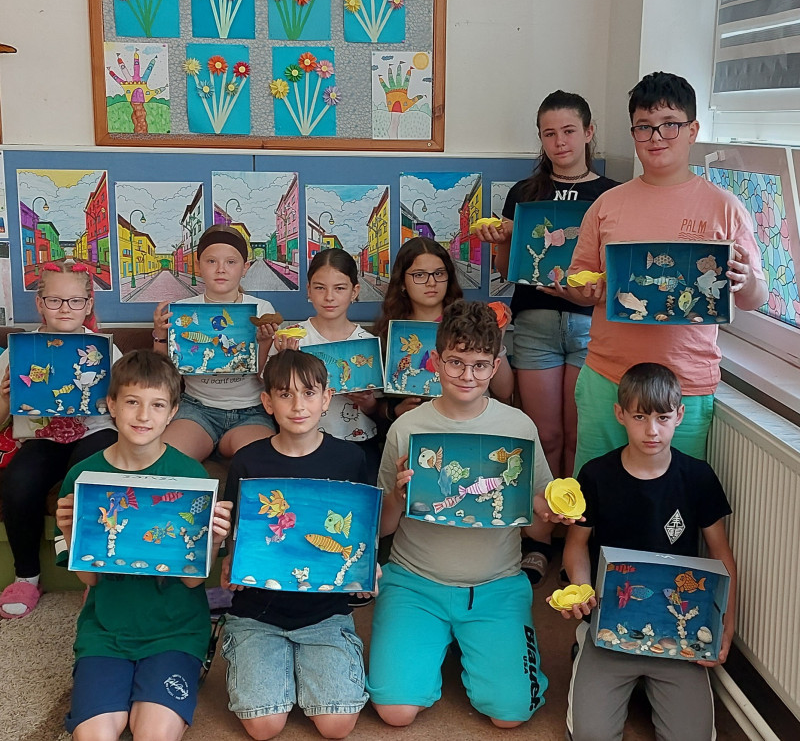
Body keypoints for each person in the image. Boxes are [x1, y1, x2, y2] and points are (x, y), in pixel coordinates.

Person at [368, 299, 577, 729]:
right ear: (436, 361)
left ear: (496, 365)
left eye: (481, 365)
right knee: (394, 710)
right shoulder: (407, 428)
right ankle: (439, 641)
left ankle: (468, 643)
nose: (468, 376)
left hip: (495, 584)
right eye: (456, 362)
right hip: (415, 582)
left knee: (510, 713)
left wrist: (549, 513)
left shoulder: (518, 428)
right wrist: (397, 496)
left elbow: (536, 525)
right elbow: (383, 528)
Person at [566, 71, 767, 473]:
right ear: (633, 133)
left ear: (693, 130)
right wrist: (585, 291)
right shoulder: (607, 204)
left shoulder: (724, 207)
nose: (656, 137)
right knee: (595, 490)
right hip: (608, 377)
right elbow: (579, 279)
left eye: (669, 124)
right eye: (644, 127)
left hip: (684, 385)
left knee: (673, 496)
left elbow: (755, 296)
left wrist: (746, 281)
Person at [477, 90, 619, 587]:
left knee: (581, 438)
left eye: (569, 131)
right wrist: (500, 243)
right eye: (549, 133)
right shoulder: (525, 192)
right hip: (535, 323)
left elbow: (614, 270)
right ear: (540, 138)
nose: (560, 142)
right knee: (545, 435)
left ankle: (576, 536)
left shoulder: (612, 194)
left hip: (589, 325)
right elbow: (507, 271)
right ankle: (539, 536)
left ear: (589, 132)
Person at [54, 349, 232, 739]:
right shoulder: (83, 477)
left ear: (173, 413)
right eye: (132, 402)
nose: (143, 415)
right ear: (111, 404)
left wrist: (213, 540)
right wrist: (71, 534)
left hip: (175, 632)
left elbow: (192, 581)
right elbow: (89, 579)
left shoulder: (191, 477)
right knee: (94, 735)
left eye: (157, 405)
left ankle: (190, 663)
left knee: (152, 733)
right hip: (106, 631)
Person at [556, 362, 737, 741]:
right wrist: (581, 590)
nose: (652, 430)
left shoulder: (698, 477)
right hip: (608, 622)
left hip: (677, 626)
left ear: (679, 415)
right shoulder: (596, 475)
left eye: (662, 417)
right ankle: (585, 648)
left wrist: (726, 622)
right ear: (620, 414)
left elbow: (721, 554)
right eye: (640, 417)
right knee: (591, 736)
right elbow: (576, 546)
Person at [220, 349, 373, 740]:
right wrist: (231, 561)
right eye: (285, 394)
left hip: (325, 613)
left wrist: (366, 566)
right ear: (267, 401)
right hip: (258, 612)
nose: (298, 405)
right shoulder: (248, 462)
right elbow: (238, 534)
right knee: (264, 726)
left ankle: (310, 663)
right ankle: (265, 659)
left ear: (326, 398)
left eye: (308, 393)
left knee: (337, 726)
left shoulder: (350, 459)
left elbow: (362, 530)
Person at [0, 261, 120, 619]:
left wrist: (115, 396)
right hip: (41, 437)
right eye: (54, 300)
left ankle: (95, 575)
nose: (65, 308)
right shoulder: (19, 350)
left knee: (88, 478)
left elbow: (130, 404)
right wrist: (5, 398)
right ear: (40, 303)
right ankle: (26, 575)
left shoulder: (104, 348)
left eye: (75, 301)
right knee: (18, 482)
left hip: (96, 431)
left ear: (88, 304)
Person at [153, 224, 279, 462]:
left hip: (251, 412)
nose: (221, 269)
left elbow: (266, 379)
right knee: (167, 461)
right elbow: (162, 377)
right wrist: (160, 335)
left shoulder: (262, 310)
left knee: (260, 462)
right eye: (211, 261)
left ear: (245, 268)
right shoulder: (182, 311)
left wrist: (263, 342)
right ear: (198, 266)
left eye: (231, 262)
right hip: (196, 409)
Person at [372, 237, 513, 426]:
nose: (431, 282)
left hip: (471, 425)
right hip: (419, 427)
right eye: (419, 275)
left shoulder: (471, 321)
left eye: (439, 273)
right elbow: (374, 405)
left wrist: (497, 339)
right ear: (402, 282)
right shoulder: (390, 334)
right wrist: (395, 411)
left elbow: (504, 391)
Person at [271, 248, 381, 479]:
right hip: (303, 443)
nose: (329, 297)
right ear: (309, 290)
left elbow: (376, 407)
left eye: (339, 288)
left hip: (358, 442)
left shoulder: (368, 343)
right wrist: (285, 361)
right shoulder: (292, 337)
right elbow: (273, 392)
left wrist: (367, 401)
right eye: (320, 288)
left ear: (354, 291)